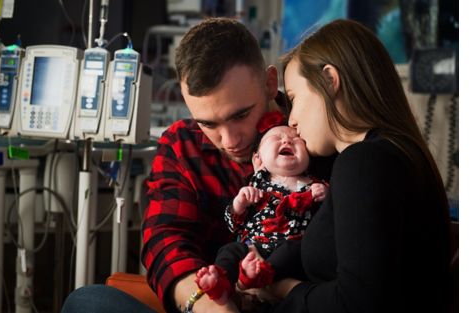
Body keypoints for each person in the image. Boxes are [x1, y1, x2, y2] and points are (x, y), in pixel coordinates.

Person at [62, 17, 335, 313]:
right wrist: (211, 306)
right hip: (210, 305)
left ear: (270, 84)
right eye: (208, 123)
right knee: (87, 302)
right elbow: (166, 243)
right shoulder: (182, 145)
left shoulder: (312, 136)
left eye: (240, 115)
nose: (229, 140)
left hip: (292, 303)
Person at [266, 19, 452, 313]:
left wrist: (284, 291)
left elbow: (359, 302)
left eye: (293, 99)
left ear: (329, 80)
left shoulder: (364, 163)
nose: (291, 121)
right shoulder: (396, 153)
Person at [195, 111, 329, 305]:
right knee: (230, 250)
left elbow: (328, 219)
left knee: (294, 250)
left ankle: (259, 275)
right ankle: (220, 280)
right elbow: (232, 223)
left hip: (288, 249)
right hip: (252, 245)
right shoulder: (255, 185)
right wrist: (238, 204)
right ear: (258, 160)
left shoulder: (314, 184)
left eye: (296, 139)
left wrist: (325, 194)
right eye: (276, 138)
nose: (287, 141)